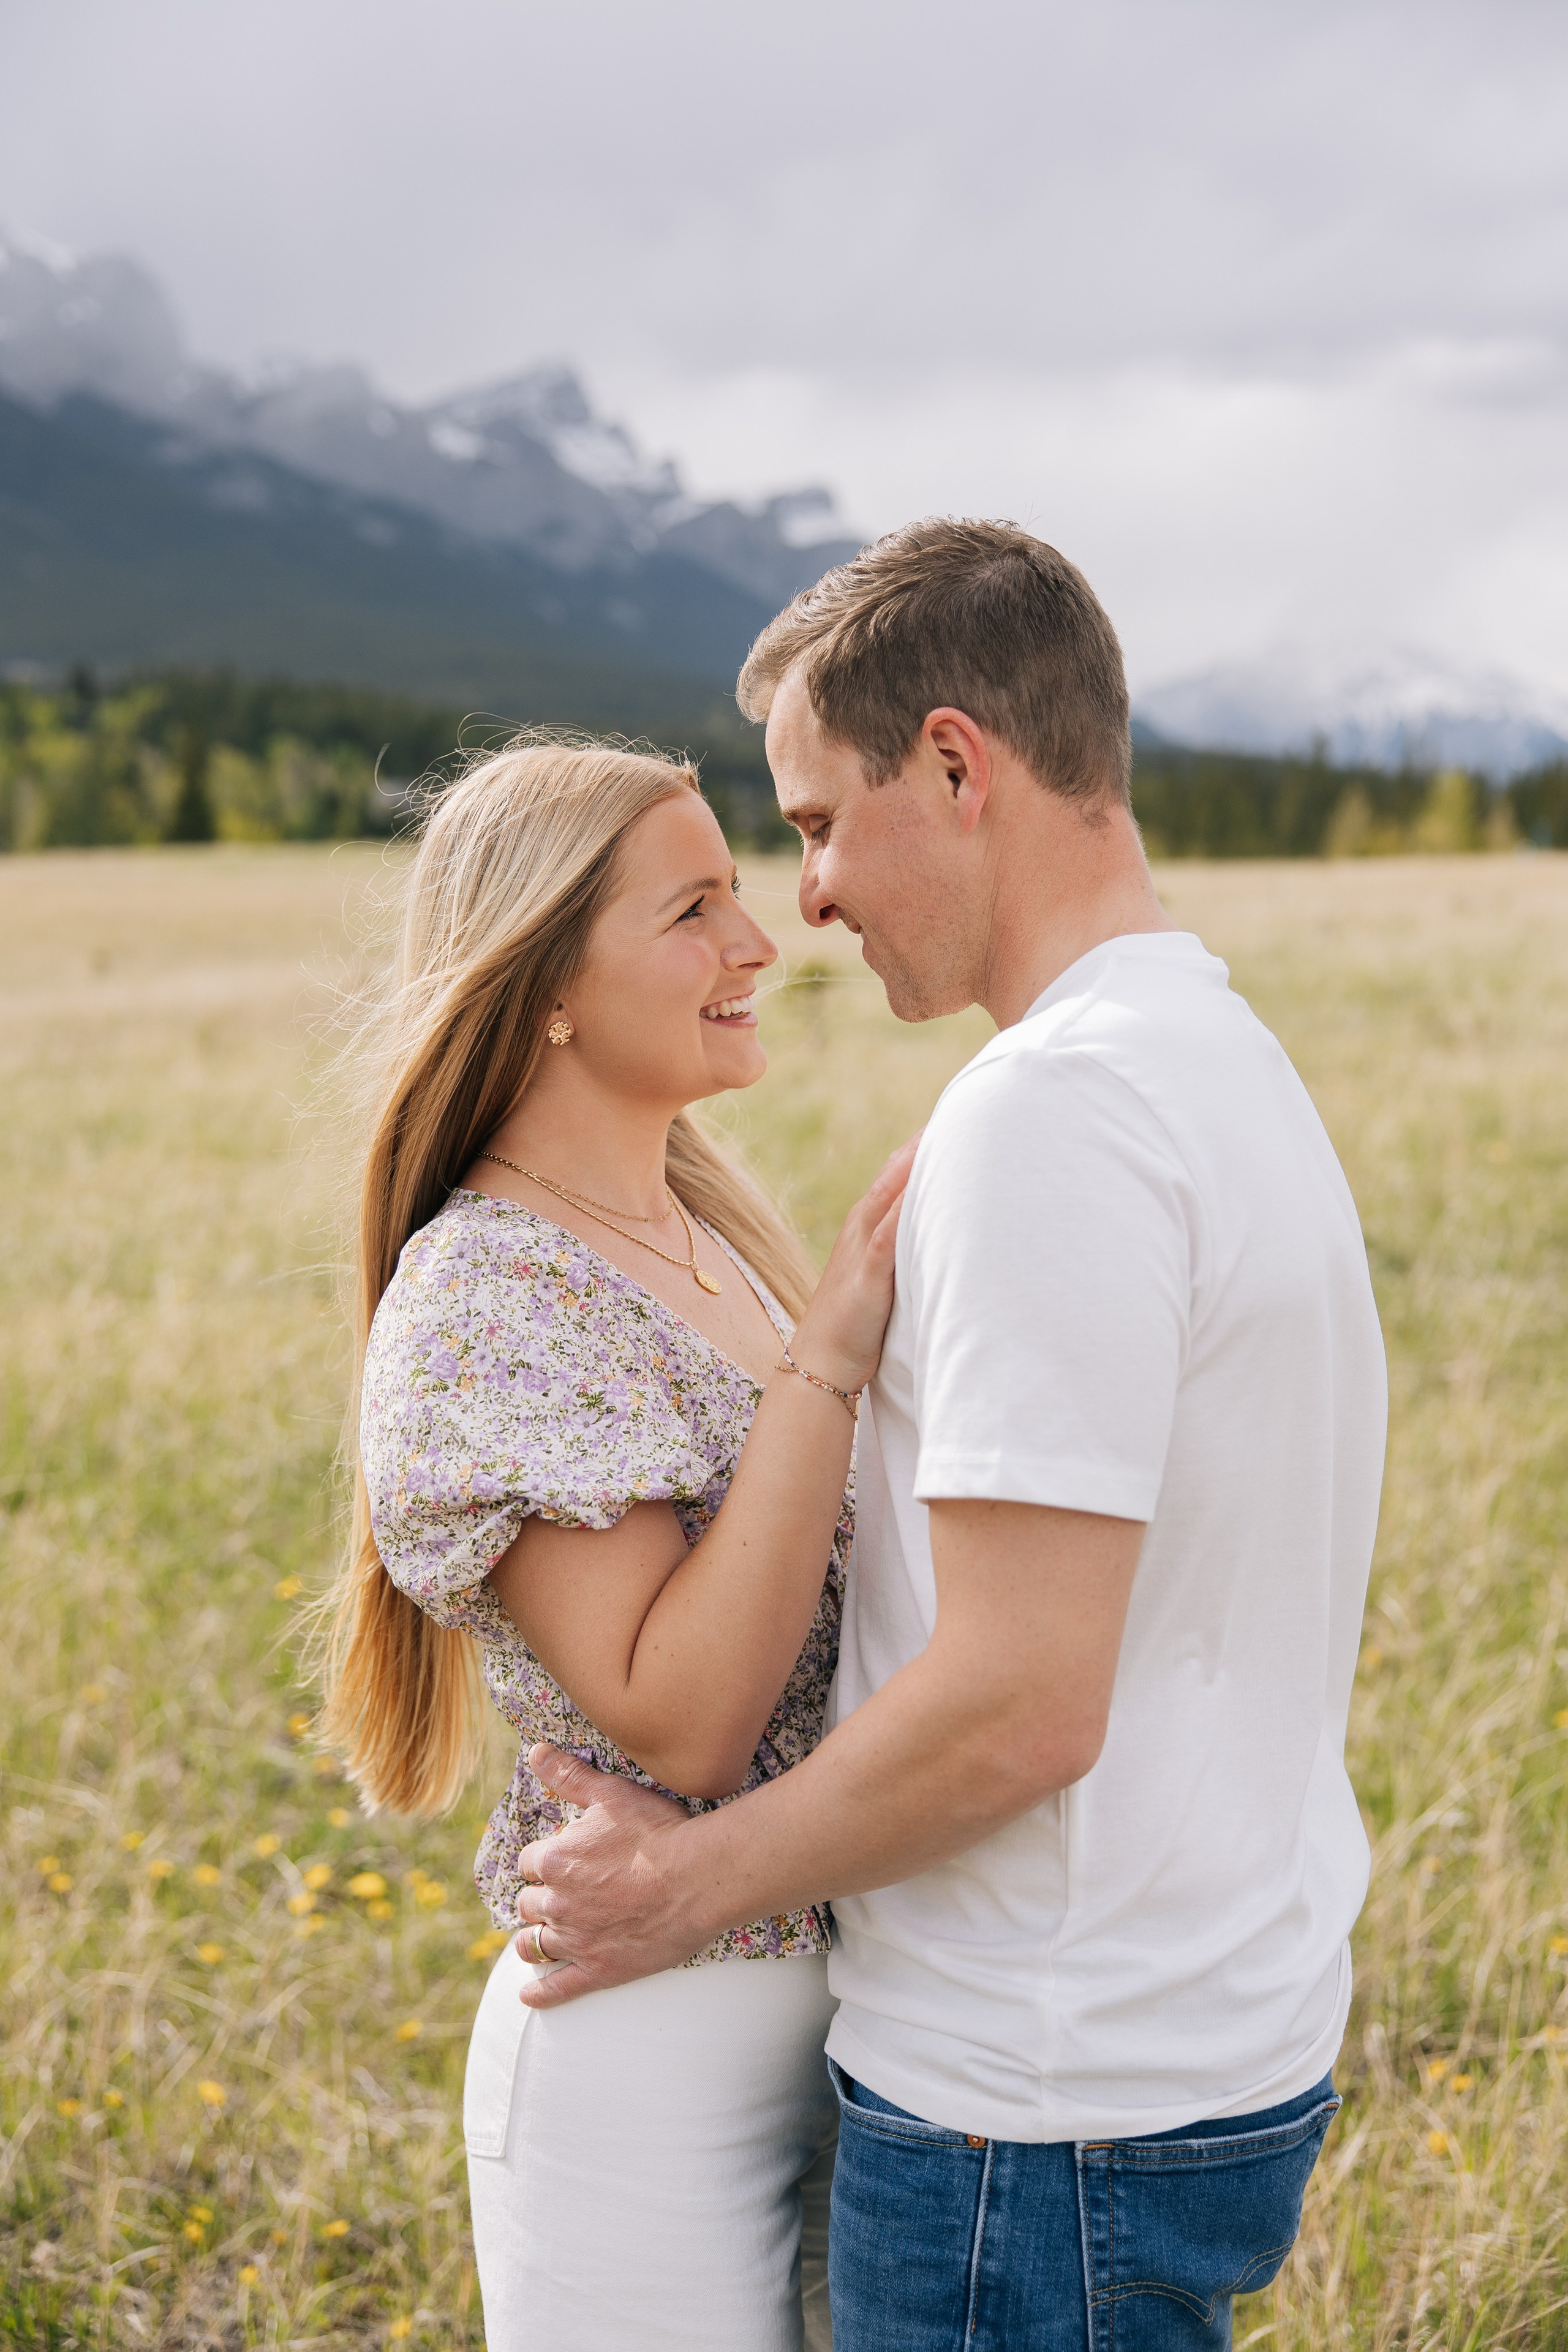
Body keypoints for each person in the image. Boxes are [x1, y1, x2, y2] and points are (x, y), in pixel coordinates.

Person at [508, 522, 1389, 2351]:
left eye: (820, 823)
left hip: (1039, 2117)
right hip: (1185, 2054)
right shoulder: (1216, 1053)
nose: (806, 900)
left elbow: (1020, 1701)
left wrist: (677, 1890)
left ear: (959, 765)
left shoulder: (1050, 1117)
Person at [321, 737, 914, 2352]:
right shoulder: (488, 1295)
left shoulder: (714, 1231)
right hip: (649, 2076)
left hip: (857, 2022)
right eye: (695, 909)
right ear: (550, 988)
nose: (759, 945)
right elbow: (688, 1716)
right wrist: (829, 1364)